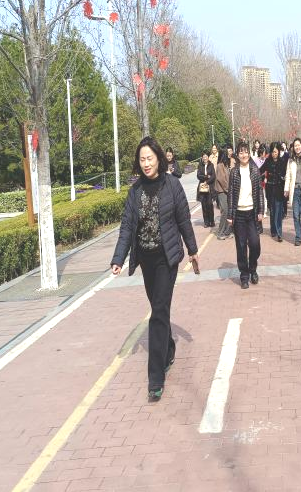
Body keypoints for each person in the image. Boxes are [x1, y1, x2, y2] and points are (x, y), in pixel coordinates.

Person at [111, 137, 198, 402]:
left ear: (159, 158)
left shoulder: (172, 185)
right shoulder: (135, 191)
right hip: (146, 260)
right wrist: (118, 258)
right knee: (159, 309)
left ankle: (156, 377)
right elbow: (127, 226)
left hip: (167, 258)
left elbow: (184, 219)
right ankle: (168, 347)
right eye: (142, 159)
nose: (146, 163)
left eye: (150, 158)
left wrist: (193, 249)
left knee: (157, 312)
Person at [227, 142, 264, 289]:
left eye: (246, 152)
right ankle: (244, 275)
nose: (244, 155)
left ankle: (253, 268)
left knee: (255, 244)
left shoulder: (255, 170)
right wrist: (230, 215)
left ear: (249, 153)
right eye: (241, 152)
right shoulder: (234, 172)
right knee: (241, 246)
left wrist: (261, 211)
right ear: (237, 155)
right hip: (239, 215)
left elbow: (259, 192)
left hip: (252, 213)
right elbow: (231, 194)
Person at [263, 141, 286, 241]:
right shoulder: (268, 161)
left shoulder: (282, 161)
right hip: (270, 189)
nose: (274, 154)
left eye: (275, 152)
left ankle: (279, 233)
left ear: (279, 151)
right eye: (272, 152)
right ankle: (273, 230)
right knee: (272, 211)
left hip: (279, 189)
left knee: (278, 212)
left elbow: (286, 174)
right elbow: (260, 170)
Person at [215, 149, 232, 240]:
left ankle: (227, 231)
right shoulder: (220, 165)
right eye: (227, 154)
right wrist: (228, 189)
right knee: (225, 211)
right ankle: (220, 232)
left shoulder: (226, 165)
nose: (229, 155)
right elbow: (221, 180)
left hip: (227, 191)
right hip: (222, 192)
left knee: (228, 211)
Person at [196, 151, 216, 228]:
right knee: (204, 205)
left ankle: (212, 221)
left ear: (208, 157)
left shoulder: (211, 165)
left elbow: (213, 176)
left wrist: (207, 181)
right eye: (203, 157)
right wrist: (206, 176)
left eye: (206, 156)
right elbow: (198, 175)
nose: (205, 158)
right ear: (202, 158)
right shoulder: (200, 165)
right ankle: (206, 222)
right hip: (202, 189)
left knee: (210, 205)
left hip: (209, 187)